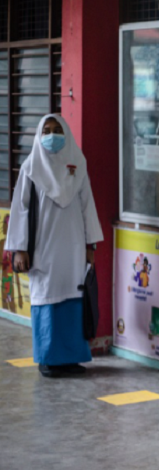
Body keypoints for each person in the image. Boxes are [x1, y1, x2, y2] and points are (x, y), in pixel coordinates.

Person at [5, 114, 103, 378]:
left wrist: (89, 245)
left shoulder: (78, 164)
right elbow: (20, 209)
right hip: (43, 248)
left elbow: (87, 206)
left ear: (67, 132)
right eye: (45, 131)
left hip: (72, 247)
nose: (51, 135)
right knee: (47, 297)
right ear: (38, 136)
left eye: (56, 129)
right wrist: (20, 248)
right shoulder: (30, 168)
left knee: (72, 297)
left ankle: (71, 358)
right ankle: (48, 359)